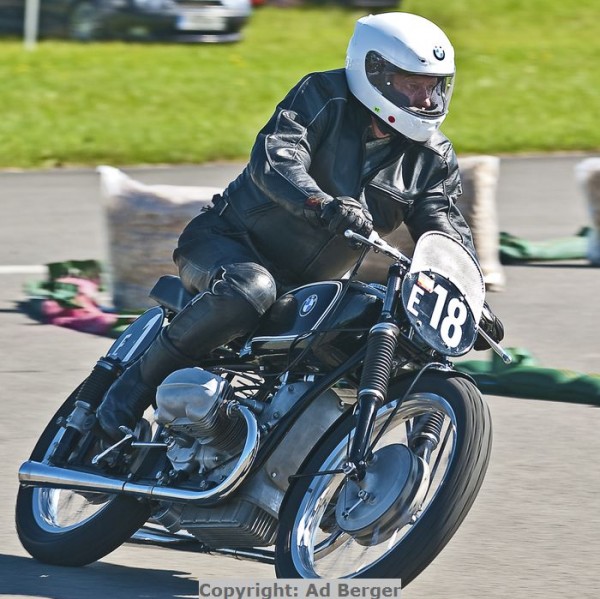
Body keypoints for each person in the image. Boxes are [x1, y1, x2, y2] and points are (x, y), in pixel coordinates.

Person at [97, 11, 504, 441]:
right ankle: (127, 393)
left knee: (397, 334)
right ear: (376, 73)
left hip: (310, 287)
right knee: (250, 289)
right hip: (230, 245)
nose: (425, 100)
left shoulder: (433, 158)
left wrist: (469, 297)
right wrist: (322, 204)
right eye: (412, 84)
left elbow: (445, 228)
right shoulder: (323, 95)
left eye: (433, 86)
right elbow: (275, 159)